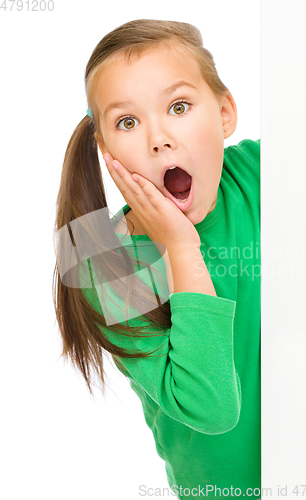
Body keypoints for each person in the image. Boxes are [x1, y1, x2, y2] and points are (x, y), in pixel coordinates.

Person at [53, 19, 261, 500]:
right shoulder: (99, 261)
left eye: (179, 106)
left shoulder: (261, 171)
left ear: (225, 113)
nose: (158, 138)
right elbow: (210, 409)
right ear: (106, 151)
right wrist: (182, 247)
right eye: (128, 122)